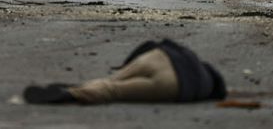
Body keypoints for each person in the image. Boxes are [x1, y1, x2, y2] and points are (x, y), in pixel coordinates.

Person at [23, 39, 226, 104]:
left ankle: (93, 83)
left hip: (158, 56)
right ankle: (74, 94)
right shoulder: (205, 87)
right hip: (173, 84)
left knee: (113, 80)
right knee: (115, 91)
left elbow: (151, 44)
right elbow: (188, 95)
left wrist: (126, 66)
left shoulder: (191, 57)